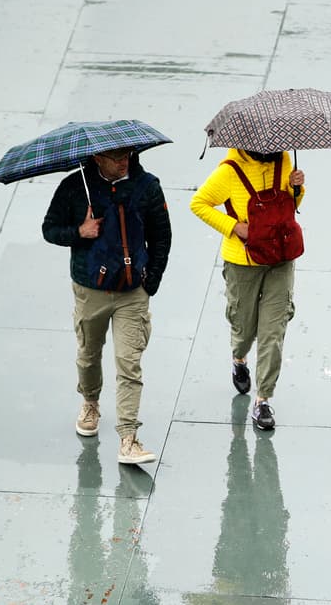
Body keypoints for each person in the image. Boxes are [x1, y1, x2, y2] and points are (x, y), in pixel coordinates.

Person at [42, 147, 171, 465]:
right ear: (97, 159)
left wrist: (149, 283)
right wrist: (79, 233)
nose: (123, 161)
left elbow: (161, 237)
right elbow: (49, 229)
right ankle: (90, 402)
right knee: (88, 355)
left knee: (129, 362)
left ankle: (128, 438)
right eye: (115, 157)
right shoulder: (75, 186)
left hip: (132, 292)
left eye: (127, 155)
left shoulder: (147, 186)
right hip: (91, 290)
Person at [190, 149, 306, 431]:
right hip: (243, 261)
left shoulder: (284, 160)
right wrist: (234, 227)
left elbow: (291, 205)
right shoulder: (229, 171)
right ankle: (239, 358)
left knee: (273, 330)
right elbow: (199, 203)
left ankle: (263, 399)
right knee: (244, 325)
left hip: (280, 257)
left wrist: (297, 187)